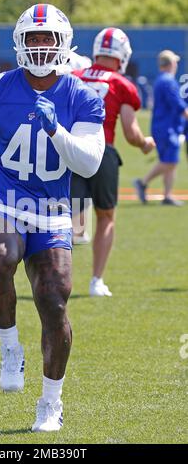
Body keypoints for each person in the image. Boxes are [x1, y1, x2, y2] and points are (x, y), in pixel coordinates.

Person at [0, 4, 105, 432]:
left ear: (63, 44)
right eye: (34, 38)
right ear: (20, 43)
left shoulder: (81, 96)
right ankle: (10, 347)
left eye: (48, 39)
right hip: (3, 200)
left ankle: (50, 402)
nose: (41, 46)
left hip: (52, 210)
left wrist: (56, 132)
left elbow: (89, 165)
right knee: (2, 256)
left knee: (54, 298)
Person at [72, 27, 155, 297]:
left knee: (60, 217)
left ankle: (54, 276)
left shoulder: (74, 77)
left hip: (70, 149)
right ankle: (96, 280)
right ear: (122, 55)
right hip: (102, 150)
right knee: (105, 216)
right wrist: (145, 143)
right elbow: (131, 134)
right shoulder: (121, 84)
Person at [134, 50, 188, 206]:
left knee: (171, 162)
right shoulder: (168, 81)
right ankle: (143, 183)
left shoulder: (162, 80)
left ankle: (167, 195)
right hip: (166, 127)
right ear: (171, 63)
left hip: (164, 126)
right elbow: (178, 105)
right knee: (169, 161)